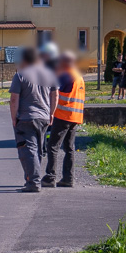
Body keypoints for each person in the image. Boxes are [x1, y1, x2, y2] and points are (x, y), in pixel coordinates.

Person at [9, 48, 59, 192]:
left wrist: (13, 117)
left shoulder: (20, 76)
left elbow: (14, 99)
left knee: (28, 150)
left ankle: (33, 182)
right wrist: (51, 113)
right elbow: (55, 95)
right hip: (43, 117)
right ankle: (31, 179)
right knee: (37, 150)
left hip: (26, 117)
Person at [42, 51, 84, 188]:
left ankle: (50, 177)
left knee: (52, 146)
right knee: (69, 148)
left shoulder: (65, 75)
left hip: (63, 115)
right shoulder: (78, 76)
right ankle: (68, 178)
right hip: (75, 117)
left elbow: (53, 92)